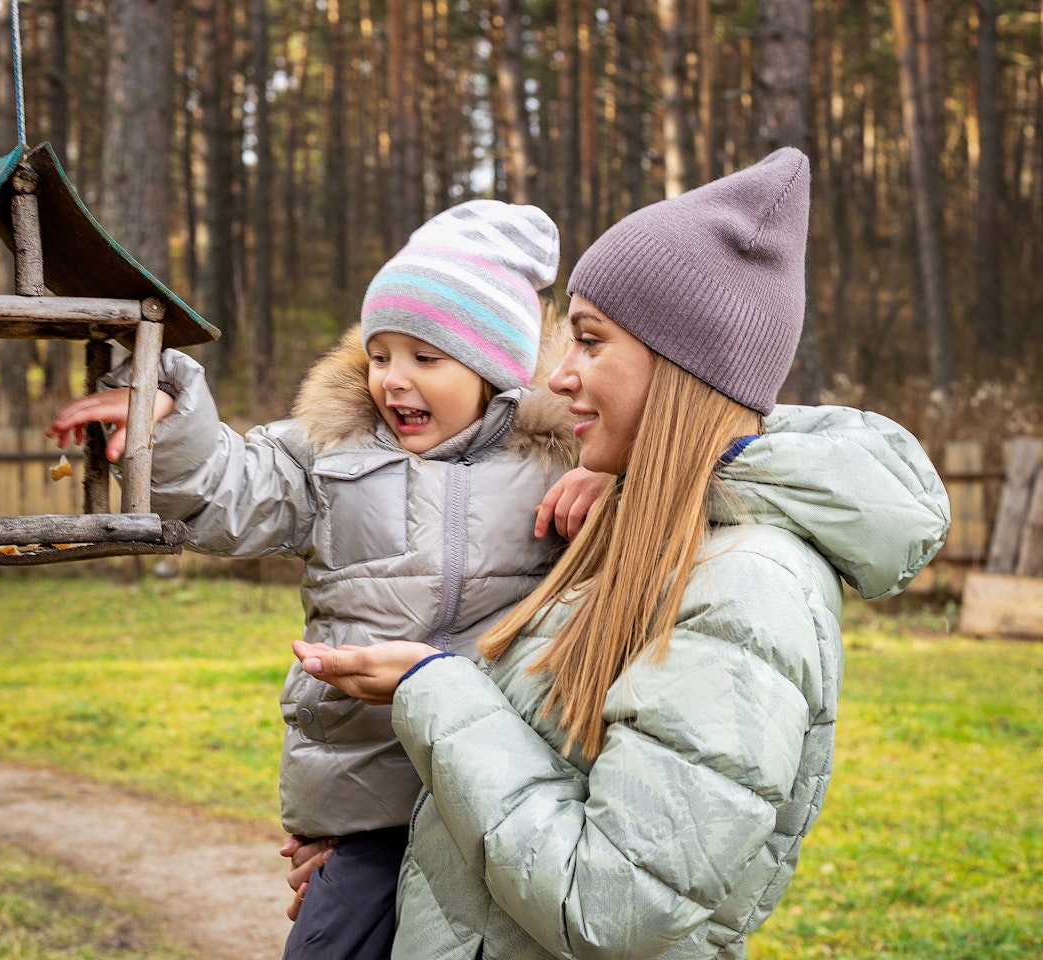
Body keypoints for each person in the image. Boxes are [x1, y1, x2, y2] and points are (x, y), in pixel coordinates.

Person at [292, 148, 952, 959]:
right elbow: (548, 772)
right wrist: (380, 862)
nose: (557, 375)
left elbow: (609, 904)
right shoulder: (640, 530)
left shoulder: (747, 590)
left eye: (590, 342)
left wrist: (433, 689)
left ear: (683, 364)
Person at [47, 200, 613, 960]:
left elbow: (690, 498)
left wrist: (618, 486)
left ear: (494, 366)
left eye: (425, 357)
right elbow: (224, 491)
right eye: (379, 355)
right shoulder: (330, 457)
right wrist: (168, 421)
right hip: (366, 805)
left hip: (504, 798)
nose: (393, 381)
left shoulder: (561, 461)